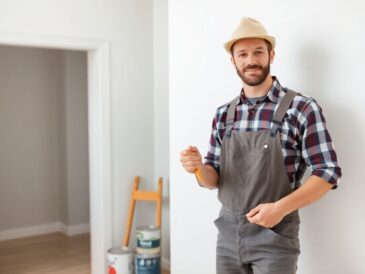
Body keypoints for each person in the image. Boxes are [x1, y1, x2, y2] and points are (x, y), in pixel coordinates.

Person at [179, 17, 342, 274]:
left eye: (258, 52)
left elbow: (327, 172)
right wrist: (198, 167)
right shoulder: (223, 114)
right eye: (242, 54)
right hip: (228, 236)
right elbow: (213, 178)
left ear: (271, 55)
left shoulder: (301, 108)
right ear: (233, 61)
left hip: (275, 236)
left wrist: (279, 210)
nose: (251, 60)